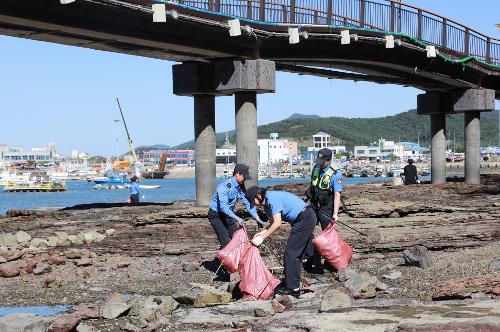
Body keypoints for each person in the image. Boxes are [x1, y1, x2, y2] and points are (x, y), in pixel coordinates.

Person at [246, 186, 316, 298]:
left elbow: (277, 224)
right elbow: (271, 222)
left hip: (305, 218)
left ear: (258, 195)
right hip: (301, 220)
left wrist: (263, 237)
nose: (255, 205)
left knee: (291, 253)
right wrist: (261, 233)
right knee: (296, 254)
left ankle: (293, 288)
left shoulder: (272, 199)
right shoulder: (267, 204)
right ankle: (293, 283)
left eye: (253, 201)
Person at [208, 164, 265, 249]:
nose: (245, 179)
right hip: (216, 216)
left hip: (228, 215)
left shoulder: (241, 187)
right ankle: (227, 260)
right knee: (227, 243)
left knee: (239, 239)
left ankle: (237, 260)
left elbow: (248, 203)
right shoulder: (224, 187)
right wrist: (237, 218)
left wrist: (257, 219)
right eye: (244, 176)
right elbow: (224, 207)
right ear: (237, 174)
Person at [304, 148, 343, 272]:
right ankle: (312, 257)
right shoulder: (316, 168)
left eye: (323, 161)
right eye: (319, 160)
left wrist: (335, 214)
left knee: (328, 234)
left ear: (329, 160)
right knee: (306, 228)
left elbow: (337, 194)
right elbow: (312, 186)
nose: (320, 163)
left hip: (327, 207)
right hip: (314, 204)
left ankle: (330, 260)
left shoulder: (336, 174)